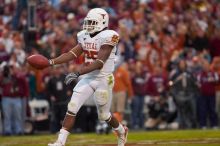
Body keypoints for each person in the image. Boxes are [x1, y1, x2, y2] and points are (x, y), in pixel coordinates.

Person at [46, 8, 128, 146]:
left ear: (102, 22)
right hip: (88, 78)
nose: (89, 25)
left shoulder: (109, 36)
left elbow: (99, 63)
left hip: (104, 79)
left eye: (92, 22)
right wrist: (51, 62)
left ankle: (121, 130)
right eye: (88, 22)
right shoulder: (84, 35)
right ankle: (60, 142)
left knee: (104, 115)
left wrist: (77, 73)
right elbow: (71, 54)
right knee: (72, 106)